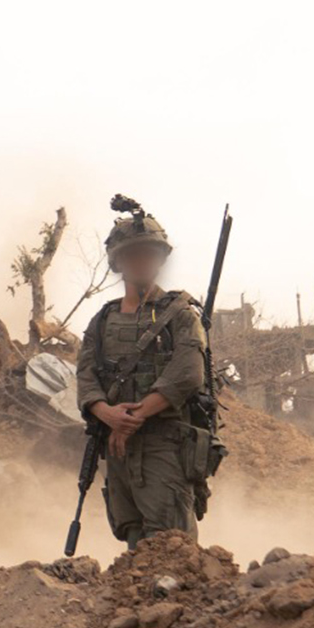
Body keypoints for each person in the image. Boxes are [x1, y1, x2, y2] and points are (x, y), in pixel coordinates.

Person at [75, 204, 210, 548]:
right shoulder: (102, 321)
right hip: (117, 445)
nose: (140, 261)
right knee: (132, 536)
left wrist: (133, 418)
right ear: (118, 262)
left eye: (148, 254)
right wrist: (107, 414)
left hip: (165, 443)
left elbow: (188, 374)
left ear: (160, 259)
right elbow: (86, 377)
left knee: (170, 541)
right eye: (132, 255)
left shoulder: (181, 315)